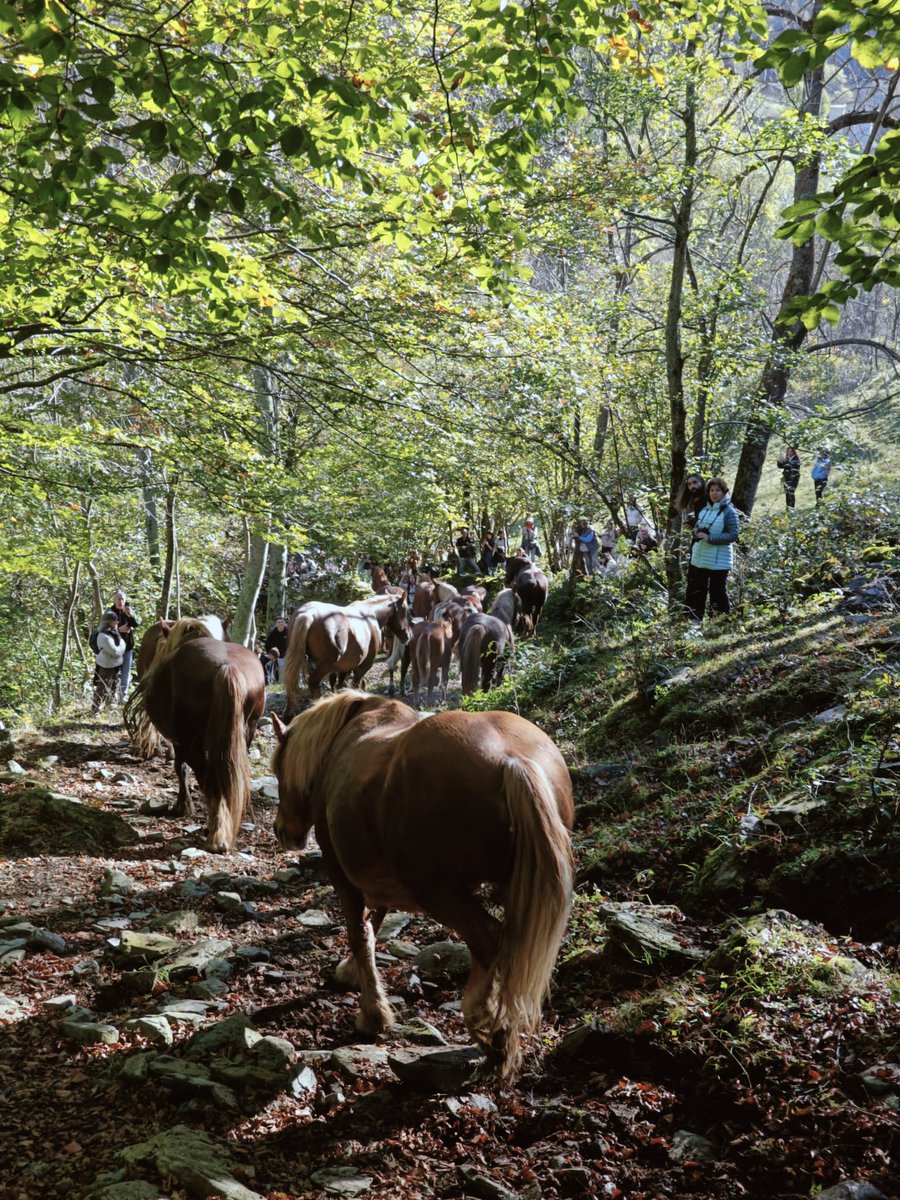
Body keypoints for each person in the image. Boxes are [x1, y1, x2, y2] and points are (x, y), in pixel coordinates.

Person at [684, 477, 740, 621]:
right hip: (700, 558)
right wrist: (696, 533)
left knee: (717, 592)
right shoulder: (704, 510)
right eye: (712, 490)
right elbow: (697, 529)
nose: (714, 493)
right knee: (698, 591)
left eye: (718, 490)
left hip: (718, 561)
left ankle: (721, 622)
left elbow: (733, 535)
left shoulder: (729, 511)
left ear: (724, 492)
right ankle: (695, 623)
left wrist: (711, 538)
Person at [92, 612, 124, 714]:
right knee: (102, 687)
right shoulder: (104, 635)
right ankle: (95, 709)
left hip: (114, 664)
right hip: (106, 665)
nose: (117, 622)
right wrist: (122, 644)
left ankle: (110, 707)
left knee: (115, 685)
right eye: (115, 620)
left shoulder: (113, 633)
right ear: (109, 622)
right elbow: (115, 652)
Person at [110, 590, 139, 702]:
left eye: (122, 599)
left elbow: (137, 624)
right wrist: (118, 629)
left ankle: (122, 698)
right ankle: (112, 697)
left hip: (127, 648)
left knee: (126, 674)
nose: (120, 601)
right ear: (114, 600)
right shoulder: (110, 613)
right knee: (113, 673)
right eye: (118, 599)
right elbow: (103, 629)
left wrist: (131, 615)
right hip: (114, 648)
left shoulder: (128, 610)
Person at [262, 615, 289, 684]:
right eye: (279, 622)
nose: (280, 624)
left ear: (284, 623)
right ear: (276, 624)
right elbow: (267, 644)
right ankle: (280, 682)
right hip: (277, 653)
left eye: (282, 622)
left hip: (287, 652)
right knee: (280, 666)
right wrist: (270, 653)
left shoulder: (288, 631)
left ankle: (288, 682)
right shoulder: (273, 633)